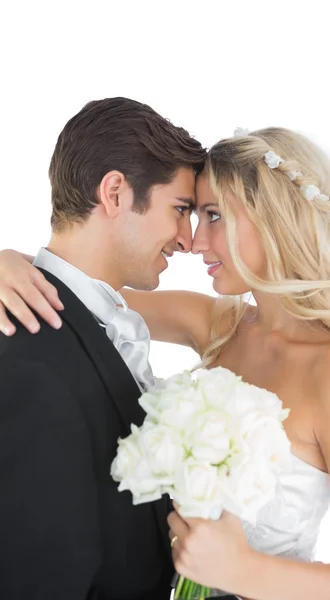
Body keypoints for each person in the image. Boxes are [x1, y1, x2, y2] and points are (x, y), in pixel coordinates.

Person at [1, 127, 330, 599]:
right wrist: (6, 262)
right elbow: (82, 289)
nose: (194, 241)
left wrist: (243, 571)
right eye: (192, 214)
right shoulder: (215, 323)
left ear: (275, 219)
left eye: (214, 216)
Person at [0, 96, 207, 600]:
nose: (187, 239)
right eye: (180, 210)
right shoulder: (27, 349)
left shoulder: (91, 314)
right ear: (115, 192)